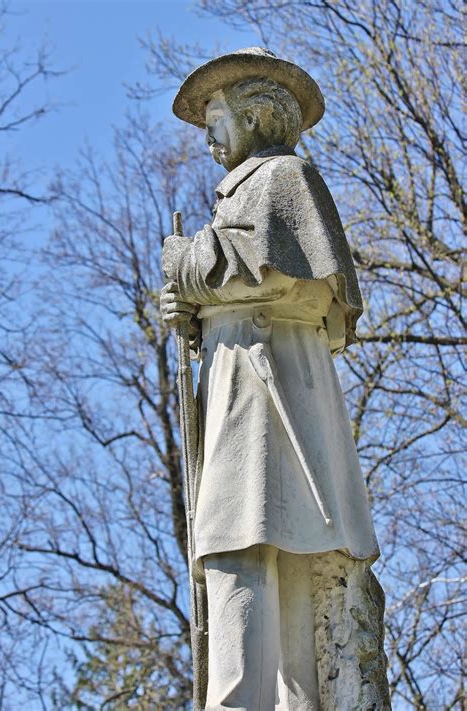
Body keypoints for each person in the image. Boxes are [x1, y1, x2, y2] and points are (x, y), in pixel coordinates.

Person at [161, 48, 389, 711]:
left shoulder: (284, 179)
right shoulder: (241, 195)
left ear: (258, 116)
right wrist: (192, 311)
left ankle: (288, 698)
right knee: (232, 543)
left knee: (281, 544)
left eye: (217, 119)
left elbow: (291, 278)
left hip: (278, 386)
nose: (208, 139)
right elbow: (238, 272)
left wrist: (190, 269)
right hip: (235, 382)